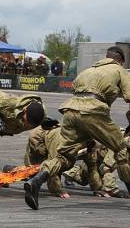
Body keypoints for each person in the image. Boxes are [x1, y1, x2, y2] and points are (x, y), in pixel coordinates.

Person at [24, 46, 130, 210]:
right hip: (93, 111)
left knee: (63, 157)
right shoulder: (119, 70)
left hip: (70, 111)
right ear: (120, 60)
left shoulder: (87, 71)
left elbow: (75, 87)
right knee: (121, 149)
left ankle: (36, 180)